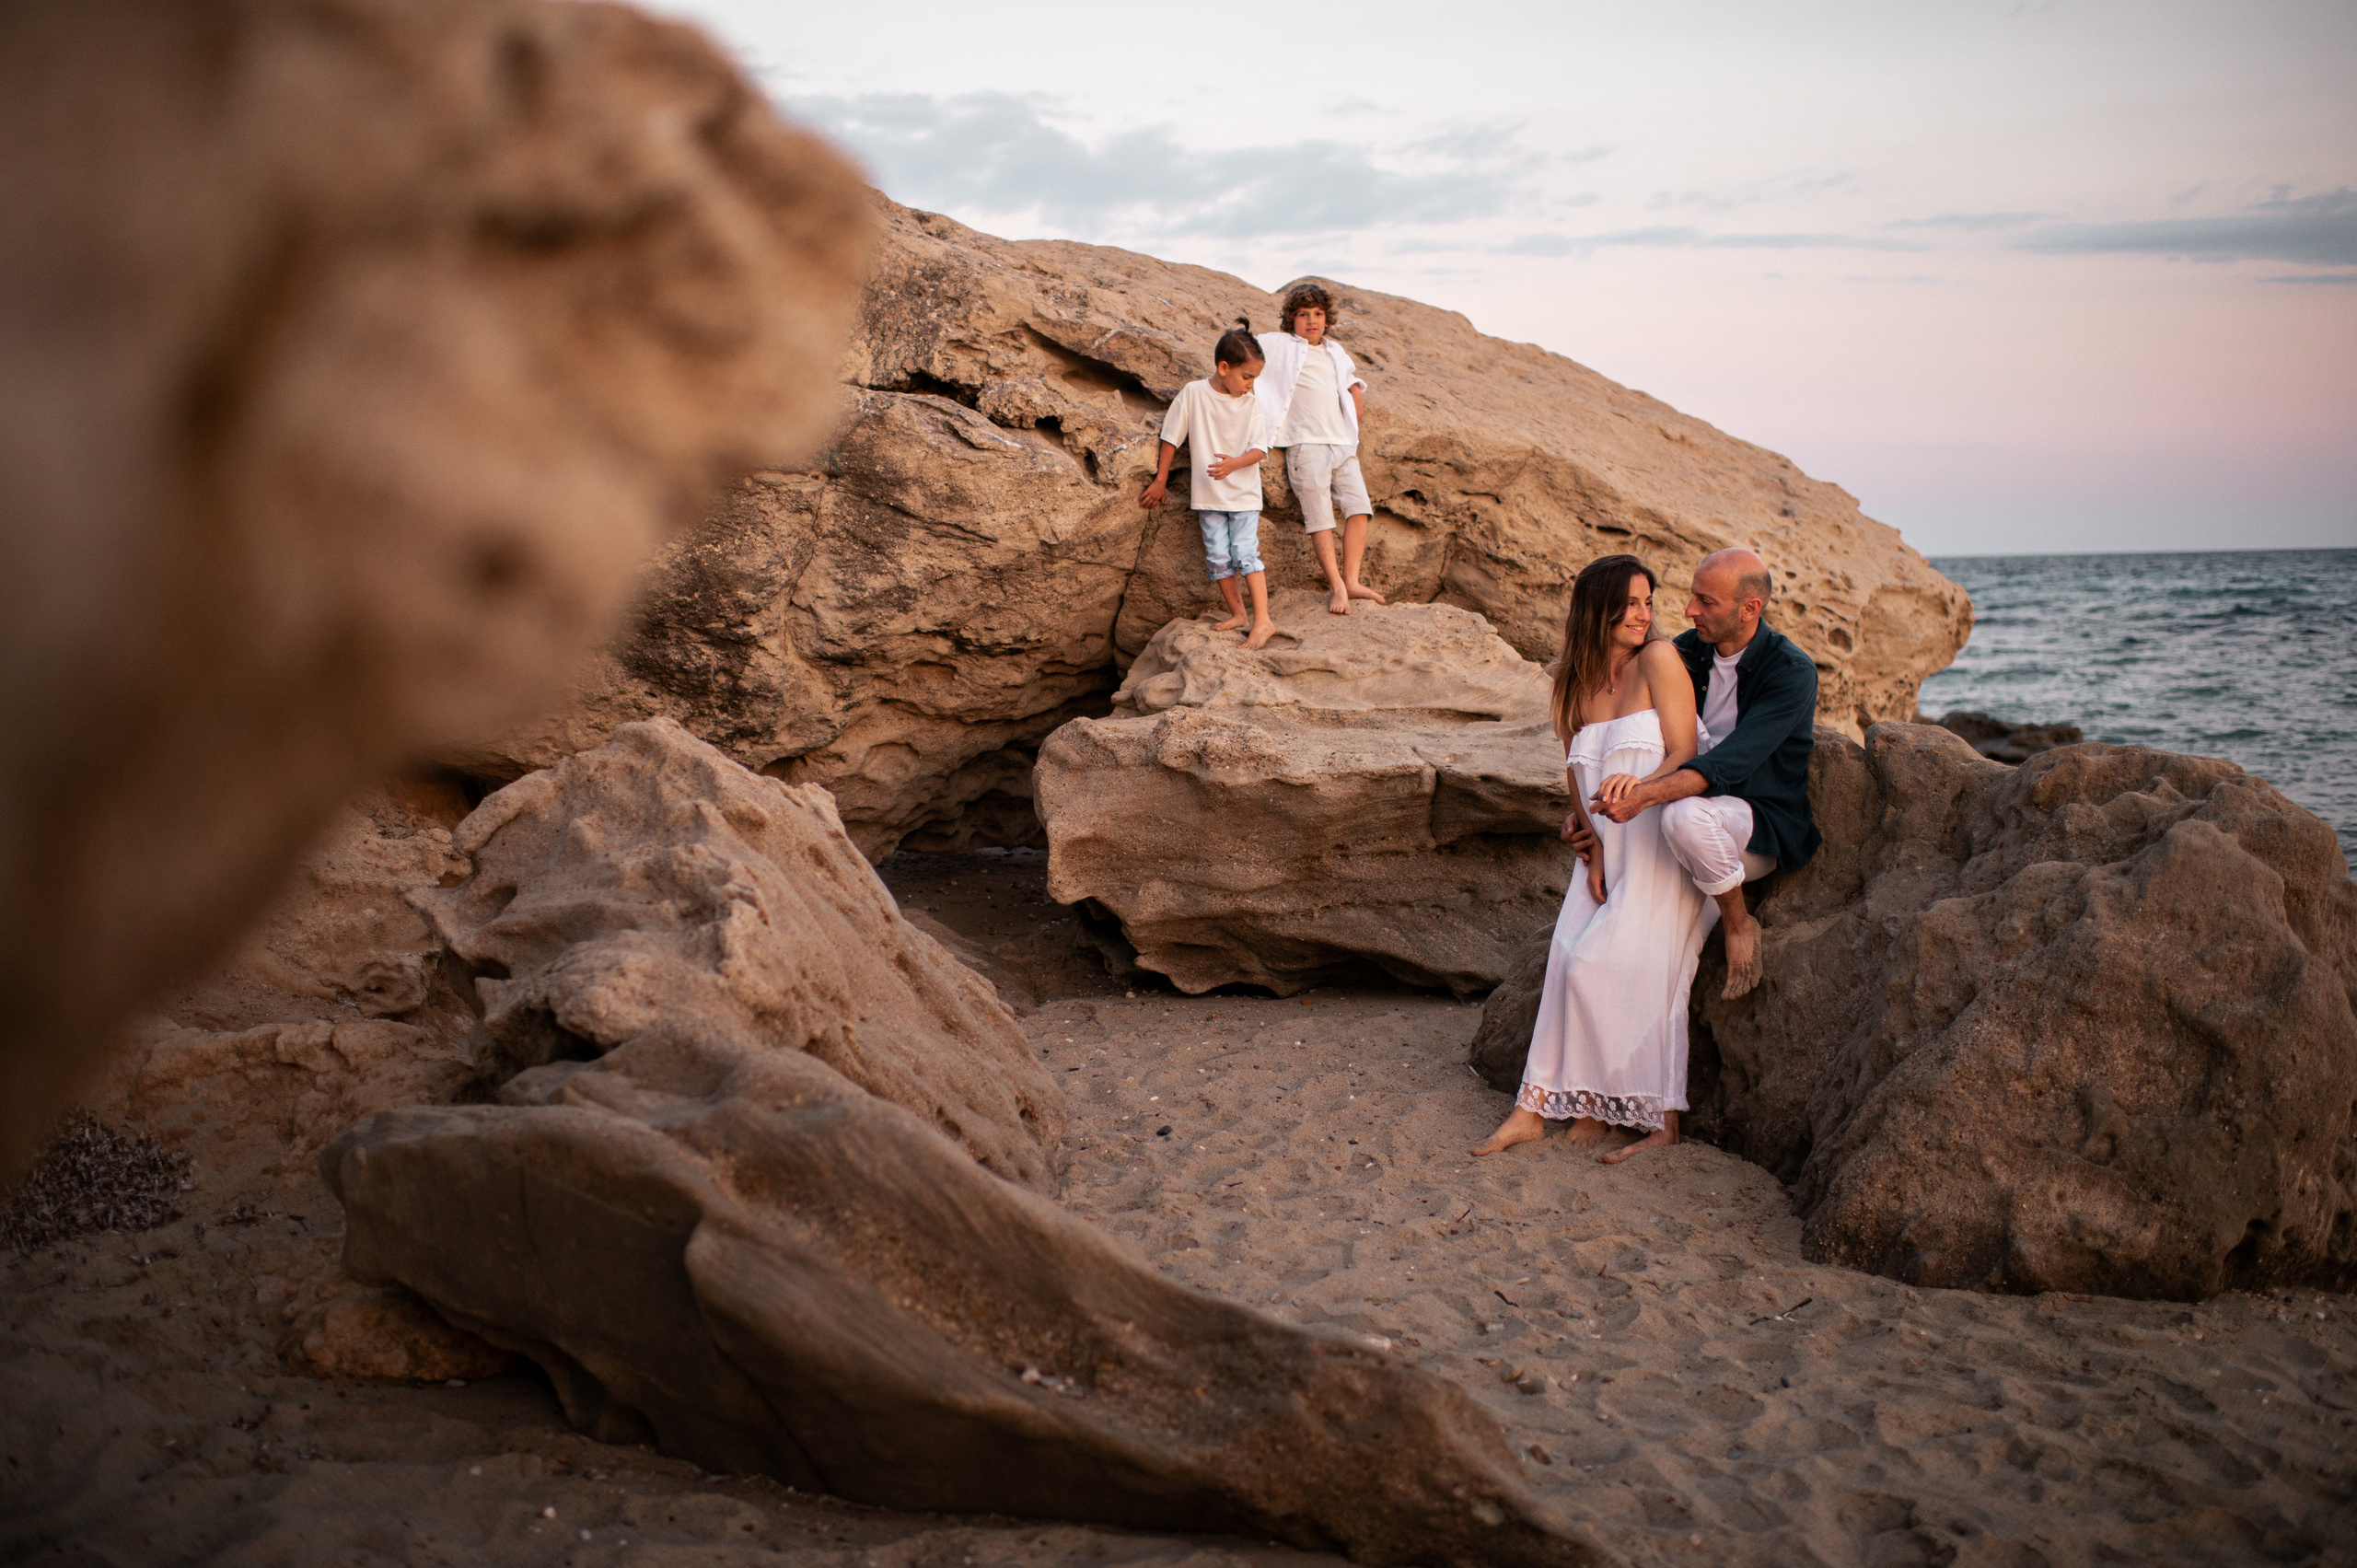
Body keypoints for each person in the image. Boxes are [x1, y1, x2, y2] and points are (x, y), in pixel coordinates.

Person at [1471, 554, 1714, 1164]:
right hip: (1609, 853)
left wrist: (1639, 790)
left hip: (1662, 842)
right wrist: (1589, 841)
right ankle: (1537, 1111)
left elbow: (1686, 753)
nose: (1644, 614)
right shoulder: (1573, 682)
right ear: (1597, 608)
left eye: (1649, 601)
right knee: (1564, 960)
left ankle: (1628, 1111)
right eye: (1630, 602)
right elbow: (1576, 774)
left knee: (1594, 963)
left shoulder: (1658, 661)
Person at [1579, 547, 1820, 1000]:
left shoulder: (1790, 672)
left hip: (1755, 824)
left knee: (1683, 818)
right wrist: (1587, 820)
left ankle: (1738, 921)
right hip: (1683, 807)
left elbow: (1726, 766)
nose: (1690, 611)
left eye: (1706, 602)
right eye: (1692, 596)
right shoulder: (1687, 652)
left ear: (1751, 609)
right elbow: (1617, 736)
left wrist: (1644, 795)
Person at [1141, 319, 1278, 649]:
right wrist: (1160, 481)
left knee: (1245, 553)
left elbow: (1261, 448)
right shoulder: (1193, 394)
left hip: (1243, 496)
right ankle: (1239, 615)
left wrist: (1233, 464)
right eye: (1247, 377)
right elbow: (1171, 436)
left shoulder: (1251, 405)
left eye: (1255, 379)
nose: (1251, 386)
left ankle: (1264, 621)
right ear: (1223, 367)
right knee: (1218, 557)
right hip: (1208, 496)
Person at [1255, 284, 1384, 617]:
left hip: (1341, 442)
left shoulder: (1335, 350)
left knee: (1359, 509)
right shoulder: (1279, 343)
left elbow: (1350, 376)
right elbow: (1248, 351)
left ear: (1326, 319)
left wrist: (1355, 391)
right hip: (1306, 443)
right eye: (1302, 314)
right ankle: (1336, 586)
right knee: (1320, 517)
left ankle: (1352, 580)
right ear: (1290, 319)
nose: (1311, 321)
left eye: (1317, 314)